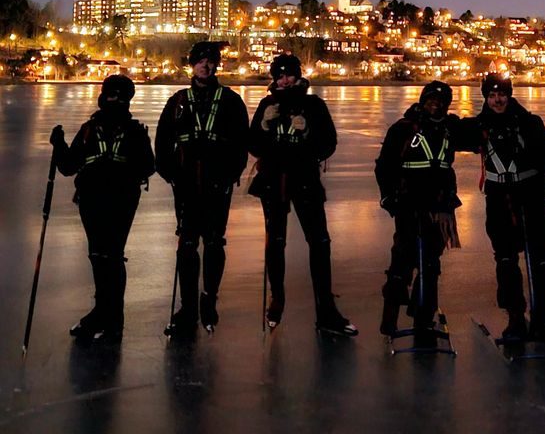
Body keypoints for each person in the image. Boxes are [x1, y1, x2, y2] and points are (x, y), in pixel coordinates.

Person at [248, 54, 357, 336]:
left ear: (298, 76)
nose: (284, 80)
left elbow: (328, 145)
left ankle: (326, 310)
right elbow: (254, 146)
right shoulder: (267, 105)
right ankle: (277, 299)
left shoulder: (313, 105)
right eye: (280, 76)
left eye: (289, 75)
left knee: (319, 242)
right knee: (276, 241)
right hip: (273, 181)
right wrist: (262, 125)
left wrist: (307, 131)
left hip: (305, 180)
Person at [49, 74, 154, 342]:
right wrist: (58, 144)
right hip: (93, 200)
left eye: (119, 96)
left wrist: (120, 172)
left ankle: (109, 316)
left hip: (120, 200)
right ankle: (106, 314)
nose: (114, 100)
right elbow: (68, 166)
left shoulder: (134, 132)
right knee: (100, 255)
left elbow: (148, 166)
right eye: (111, 94)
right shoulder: (88, 129)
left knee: (111, 255)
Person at [155, 40, 249, 337]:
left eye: (210, 61)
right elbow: (162, 142)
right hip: (185, 183)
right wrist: (170, 174)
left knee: (213, 242)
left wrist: (230, 174)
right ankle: (188, 308)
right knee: (186, 244)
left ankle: (209, 299)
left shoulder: (231, 100)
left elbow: (241, 143)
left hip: (217, 182)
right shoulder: (179, 100)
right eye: (200, 61)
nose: (206, 66)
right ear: (192, 65)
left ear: (216, 65)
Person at [457, 74, 545, 343]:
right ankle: (515, 317)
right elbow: (452, 133)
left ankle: (542, 318)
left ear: (509, 95)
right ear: (486, 98)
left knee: (543, 259)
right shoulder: (479, 125)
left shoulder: (529, 122)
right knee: (505, 260)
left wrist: (528, 157)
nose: (498, 100)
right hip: (500, 200)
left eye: (502, 94)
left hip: (531, 197)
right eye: (492, 96)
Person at [374, 80, 461, 348]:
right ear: (423, 101)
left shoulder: (448, 129)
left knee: (431, 263)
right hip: (408, 204)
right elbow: (384, 166)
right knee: (402, 258)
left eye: (441, 100)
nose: (435, 104)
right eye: (431, 99)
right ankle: (389, 318)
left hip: (438, 207)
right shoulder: (403, 129)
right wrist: (389, 199)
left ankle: (423, 318)